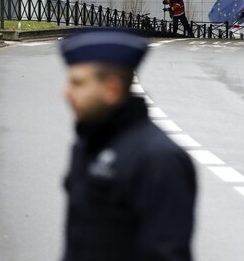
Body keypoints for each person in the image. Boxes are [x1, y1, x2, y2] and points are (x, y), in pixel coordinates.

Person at [60, 28, 197, 261]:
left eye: (78, 83)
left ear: (111, 89)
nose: (67, 93)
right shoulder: (86, 145)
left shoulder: (160, 159)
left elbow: (166, 253)